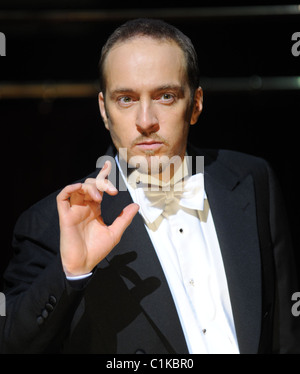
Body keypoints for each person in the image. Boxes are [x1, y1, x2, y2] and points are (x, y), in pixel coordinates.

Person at [1, 18, 299, 354]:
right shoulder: (51, 223)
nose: (146, 121)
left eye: (166, 96)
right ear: (104, 109)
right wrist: (70, 272)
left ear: (196, 103)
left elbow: (285, 334)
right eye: (126, 99)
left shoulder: (253, 179)